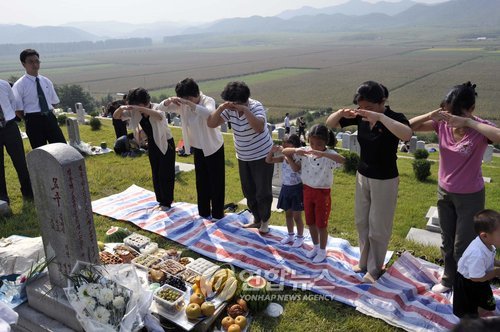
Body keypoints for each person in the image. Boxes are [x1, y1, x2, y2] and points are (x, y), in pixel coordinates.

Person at [409, 82, 500, 293]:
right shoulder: (441, 124)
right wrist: (431, 114)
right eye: (448, 112)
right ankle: (449, 280)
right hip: (444, 192)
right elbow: (408, 128)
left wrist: (469, 122)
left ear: (470, 110)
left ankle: (466, 284)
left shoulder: (479, 129)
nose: (451, 119)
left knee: (464, 245)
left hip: (470, 196)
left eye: (455, 114)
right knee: (447, 241)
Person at [326, 81, 412, 282]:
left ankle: (374, 269)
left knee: (378, 226)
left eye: (370, 107)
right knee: (361, 221)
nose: (364, 111)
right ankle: (363, 262)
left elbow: (407, 134)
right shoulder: (361, 117)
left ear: (383, 102)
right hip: (362, 175)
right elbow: (330, 124)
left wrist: (380, 117)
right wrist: (341, 113)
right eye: (361, 107)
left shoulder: (393, 118)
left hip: (385, 179)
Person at [207, 81, 273, 234]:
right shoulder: (229, 109)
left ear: (243, 100)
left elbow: (259, 127)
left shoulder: (255, 106)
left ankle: (265, 221)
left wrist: (245, 110)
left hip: (262, 155)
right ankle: (256, 219)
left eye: (234, 103)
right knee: (248, 190)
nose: (231, 105)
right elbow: (211, 123)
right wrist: (222, 108)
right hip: (243, 155)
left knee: (262, 191)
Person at [163, 78, 225, 220]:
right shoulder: (183, 105)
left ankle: (217, 213)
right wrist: (168, 101)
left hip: (213, 146)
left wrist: (190, 104)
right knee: (201, 181)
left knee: (216, 182)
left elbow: (209, 113)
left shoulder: (207, 100)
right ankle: (203, 212)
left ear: (192, 95)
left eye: (186, 98)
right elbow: (162, 108)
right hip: (198, 147)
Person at [282, 125, 345, 262]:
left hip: (322, 193)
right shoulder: (305, 151)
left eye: (319, 144)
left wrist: (323, 154)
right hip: (307, 191)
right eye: (311, 143)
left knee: (321, 224)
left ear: (326, 143)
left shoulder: (329, 155)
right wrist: (297, 149)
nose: (314, 147)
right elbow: (286, 151)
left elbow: (343, 160)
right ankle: (315, 247)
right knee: (310, 222)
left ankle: (322, 251)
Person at [114, 87, 175, 210]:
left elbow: (159, 116)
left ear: (142, 104)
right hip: (152, 143)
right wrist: (121, 108)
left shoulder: (157, 107)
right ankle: (160, 200)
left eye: (136, 106)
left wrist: (140, 109)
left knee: (166, 173)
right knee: (156, 172)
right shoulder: (135, 112)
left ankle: (167, 202)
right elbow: (117, 117)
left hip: (166, 143)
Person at [12, 49, 66, 149]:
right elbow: (17, 109)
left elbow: (53, 102)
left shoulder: (46, 81)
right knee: (41, 152)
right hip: (33, 120)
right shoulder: (19, 85)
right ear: (24, 64)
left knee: (61, 148)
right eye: (31, 62)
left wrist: (46, 112)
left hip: (49, 118)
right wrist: (29, 119)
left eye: (37, 61)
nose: (35, 64)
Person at [453, 209, 500, 318]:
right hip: (468, 283)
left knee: (486, 300)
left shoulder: (488, 244)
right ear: (484, 235)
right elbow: (475, 278)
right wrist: (496, 272)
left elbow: (489, 259)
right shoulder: (476, 254)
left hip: (481, 278)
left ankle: (482, 308)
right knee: (468, 310)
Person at [265, 134, 304, 246]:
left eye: (288, 147)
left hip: (297, 189)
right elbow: (268, 160)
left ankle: (300, 237)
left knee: (297, 216)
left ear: (294, 147)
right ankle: (290, 235)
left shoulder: (298, 157)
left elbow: (296, 168)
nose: (285, 149)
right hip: (286, 188)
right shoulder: (283, 158)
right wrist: (271, 151)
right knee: (288, 214)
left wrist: (287, 155)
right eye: (284, 147)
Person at [0, 79, 33, 205]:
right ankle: (3, 199)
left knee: (20, 161)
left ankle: (28, 192)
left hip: (10, 127)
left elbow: (13, 102)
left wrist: (7, 117)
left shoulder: (4, 84)